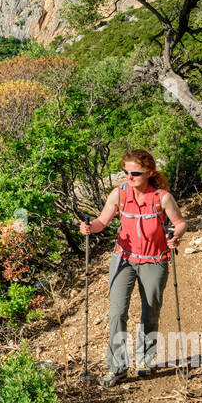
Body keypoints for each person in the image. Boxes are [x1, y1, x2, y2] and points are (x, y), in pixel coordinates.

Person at [78, 148, 187, 387]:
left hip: (154, 260)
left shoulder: (162, 197)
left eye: (135, 173)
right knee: (117, 312)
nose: (129, 177)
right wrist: (89, 228)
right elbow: (101, 221)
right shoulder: (119, 194)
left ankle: (145, 360)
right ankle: (117, 367)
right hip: (124, 259)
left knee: (150, 311)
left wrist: (175, 236)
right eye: (125, 172)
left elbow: (179, 223)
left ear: (149, 172)